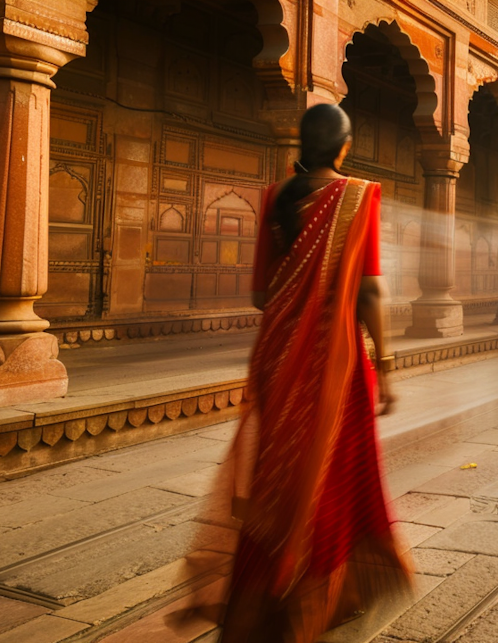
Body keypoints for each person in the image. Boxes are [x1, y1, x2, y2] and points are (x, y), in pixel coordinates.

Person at [186, 104, 413, 643]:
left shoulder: (274, 197)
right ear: (344, 147)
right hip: (337, 362)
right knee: (334, 473)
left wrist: (298, 305)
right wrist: (386, 363)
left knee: (278, 473)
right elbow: (369, 290)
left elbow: (262, 295)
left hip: (277, 357)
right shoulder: (359, 197)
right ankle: (320, 594)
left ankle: (265, 590)